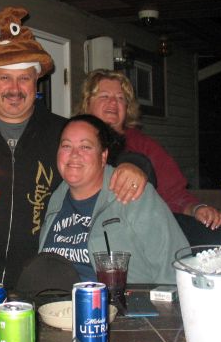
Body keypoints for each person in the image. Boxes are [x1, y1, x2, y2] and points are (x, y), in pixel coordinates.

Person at [0, 6, 148, 289]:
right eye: (4, 77)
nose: (15, 89)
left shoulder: (60, 131)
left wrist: (133, 165)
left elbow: (106, 157)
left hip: (36, 283)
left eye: (24, 78)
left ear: (36, 80)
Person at [78, 69, 221, 243]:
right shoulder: (71, 141)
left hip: (131, 241)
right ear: (87, 103)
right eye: (105, 96)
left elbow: (175, 195)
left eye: (120, 98)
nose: (113, 102)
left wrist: (197, 209)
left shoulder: (144, 146)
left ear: (127, 107)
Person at [39, 114, 189, 284]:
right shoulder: (56, 198)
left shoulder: (132, 193)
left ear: (103, 156)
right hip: (57, 299)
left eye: (85, 147)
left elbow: (176, 266)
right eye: (66, 146)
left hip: (122, 299)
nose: (74, 154)